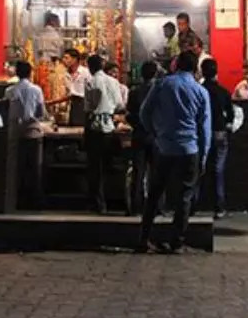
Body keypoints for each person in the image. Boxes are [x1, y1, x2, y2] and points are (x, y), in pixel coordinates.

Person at [138, 51, 210, 253]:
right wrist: (203, 156)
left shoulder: (161, 85)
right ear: (195, 68)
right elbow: (205, 128)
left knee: (154, 194)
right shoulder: (200, 91)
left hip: (164, 148)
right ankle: (176, 241)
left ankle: (144, 238)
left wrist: (155, 132)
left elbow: (144, 112)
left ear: (176, 65)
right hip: (189, 148)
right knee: (184, 196)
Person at [4, 60, 47, 210]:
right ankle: (34, 202)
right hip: (33, 133)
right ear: (31, 73)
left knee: (17, 169)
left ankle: (17, 201)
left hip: (15, 134)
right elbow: (41, 112)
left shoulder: (9, 91)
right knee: (34, 169)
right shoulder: (36, 90)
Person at [83, 54, 121, 214]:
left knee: (95, 167)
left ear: (90, 67)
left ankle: (99, 203)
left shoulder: (90, 82)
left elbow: (88, 107)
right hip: (110, 126)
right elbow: (120, 104)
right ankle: (112, 200)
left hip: (95, 127)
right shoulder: (113, 82)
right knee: (107, 165)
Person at [199, 58, 234, 219]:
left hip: (201, 133)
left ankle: (195, 204)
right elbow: (231, 114)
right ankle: (219, 207)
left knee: (199, 167)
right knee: (218, 170)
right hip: (219, 132)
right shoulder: (223, 92)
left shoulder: (199, 90)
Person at [126, 61, 160, 215]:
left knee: (138, 173)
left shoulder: (134, 92)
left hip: (139, 134)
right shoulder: (160, 91)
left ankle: (135, 206)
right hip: (156, 136)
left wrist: (136, 124)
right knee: (157, 173)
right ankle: (157, 207)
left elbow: (129, 114)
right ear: (155, 74)